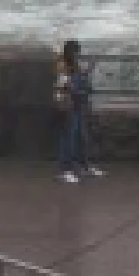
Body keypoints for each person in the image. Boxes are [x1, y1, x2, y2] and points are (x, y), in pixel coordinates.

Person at [55, 40, 105, 183]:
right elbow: (65, 87)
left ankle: (83, 166)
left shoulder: (75, 66)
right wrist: (79, 90)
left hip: (78, 105)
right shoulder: (62, 67)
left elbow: (79, 81)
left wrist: (89, 70)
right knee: (68, 138)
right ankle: (65, 170)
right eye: (75, 52)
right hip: (68, 106)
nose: (77, 55)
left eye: (78, 52)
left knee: (81, 138)